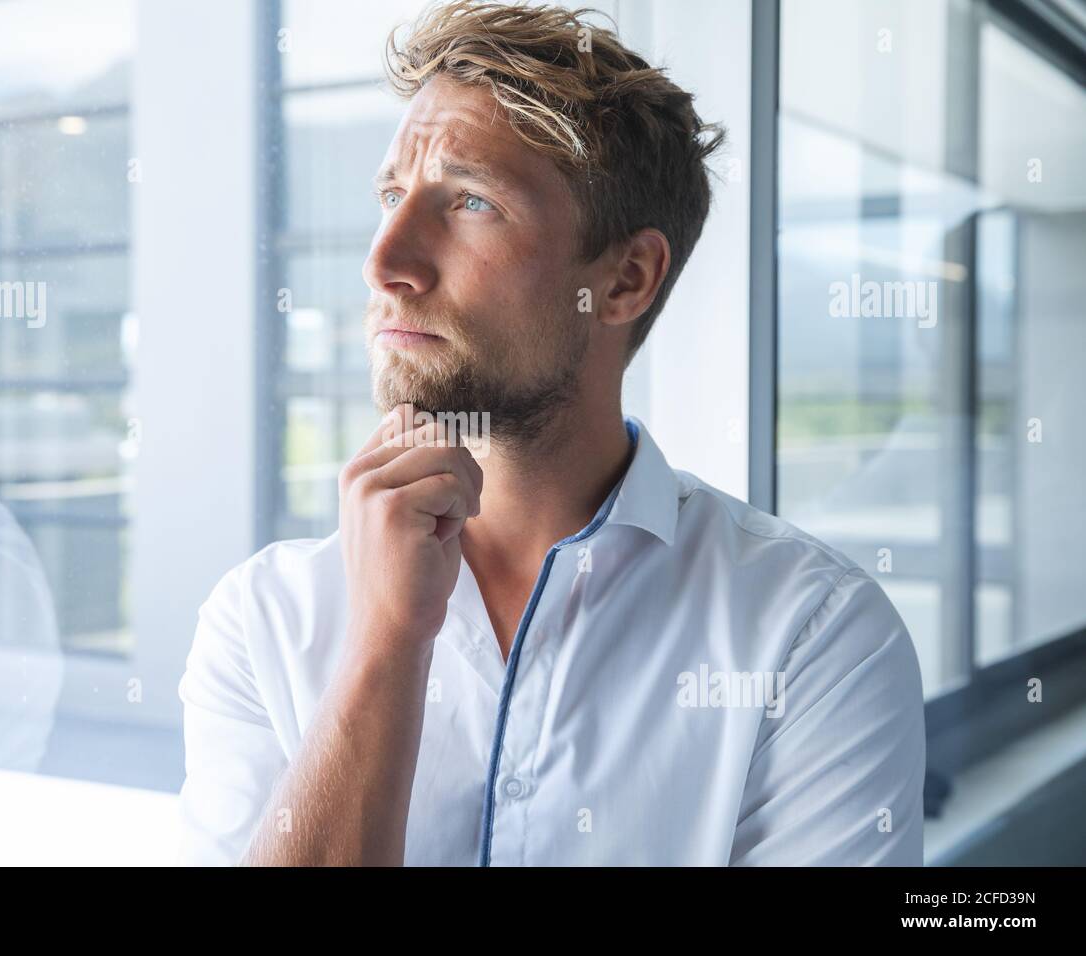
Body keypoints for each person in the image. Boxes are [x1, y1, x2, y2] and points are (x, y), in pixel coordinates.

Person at [178, 0, 924, 866]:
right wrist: (385, 641)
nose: (383, 261)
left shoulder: (811, 636)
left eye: (469, 202)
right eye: (392, 194)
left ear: (625, 280)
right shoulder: (262, 621)